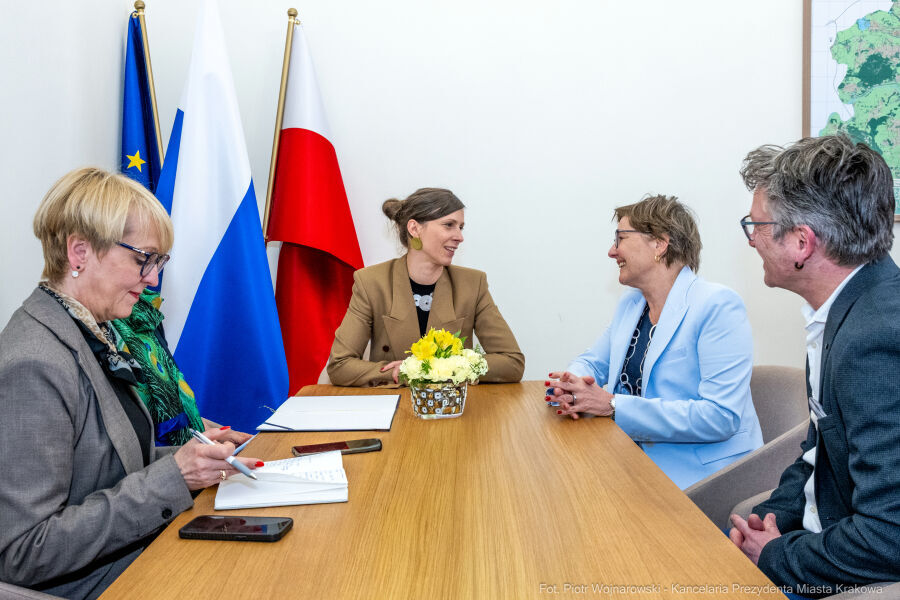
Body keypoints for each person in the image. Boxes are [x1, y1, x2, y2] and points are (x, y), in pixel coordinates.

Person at [0, 167, 264, 599]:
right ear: (80, 252)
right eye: (144, 259)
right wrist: (175, 476)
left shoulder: (92, 331)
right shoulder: (34, 363)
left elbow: (108, 464)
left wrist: (194, 458)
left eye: (158, 262)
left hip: (136, 555)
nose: (154, 279)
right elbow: (24, 552)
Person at [729, 135, 900, 595]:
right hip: (818, 541)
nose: (751, 241)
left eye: (757, 226)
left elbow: (890, 536)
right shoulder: (850, 307)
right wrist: (769, 520)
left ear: (801, 242)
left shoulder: (876, 338)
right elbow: (818, 451)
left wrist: (776, 555)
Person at [546, 195, 762, 489]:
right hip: (628, 458)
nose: (612, 251)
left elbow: (719, 417)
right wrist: (571, 385)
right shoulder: (632, 303)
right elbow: (593, 361)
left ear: (660, 244)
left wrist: (611, 404)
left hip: (702, 477)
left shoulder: (717, 306)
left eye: (620, 238)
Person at [326, 187, 524, 387]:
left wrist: (441, 368)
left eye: (460, 227)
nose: (459, 236)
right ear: (414, 229)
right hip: (392, 407)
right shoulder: (371, 282)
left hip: (452, 410)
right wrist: (400, 372)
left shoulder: (473, 283)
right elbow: (339, 366)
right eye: (449, 225)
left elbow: (512, 362)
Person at [112, 289, 252, 447]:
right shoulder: (93, 335)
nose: (153, 279)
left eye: (158, 263)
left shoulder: (143, 311)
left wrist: (211, 432)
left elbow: (166, 407)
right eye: (140, 263)